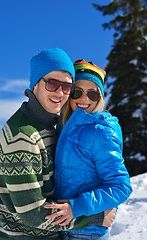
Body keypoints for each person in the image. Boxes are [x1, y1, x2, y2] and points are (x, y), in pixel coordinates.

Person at [0, 49, 115, 240]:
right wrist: (95, 218)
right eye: (52, 83)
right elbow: (33, 215)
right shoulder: (22, 138)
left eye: (67, 87)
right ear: (35, 84)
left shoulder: (51, 128)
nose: (60, 92)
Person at [45, 59, 132, 239]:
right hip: (65, 229)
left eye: (92, 94)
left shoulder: (100, 132)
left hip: (86, 233)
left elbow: (121, 186)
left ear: (99, 98)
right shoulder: (65, 128)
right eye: (77, 92)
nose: (84, 99)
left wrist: (76, 207)